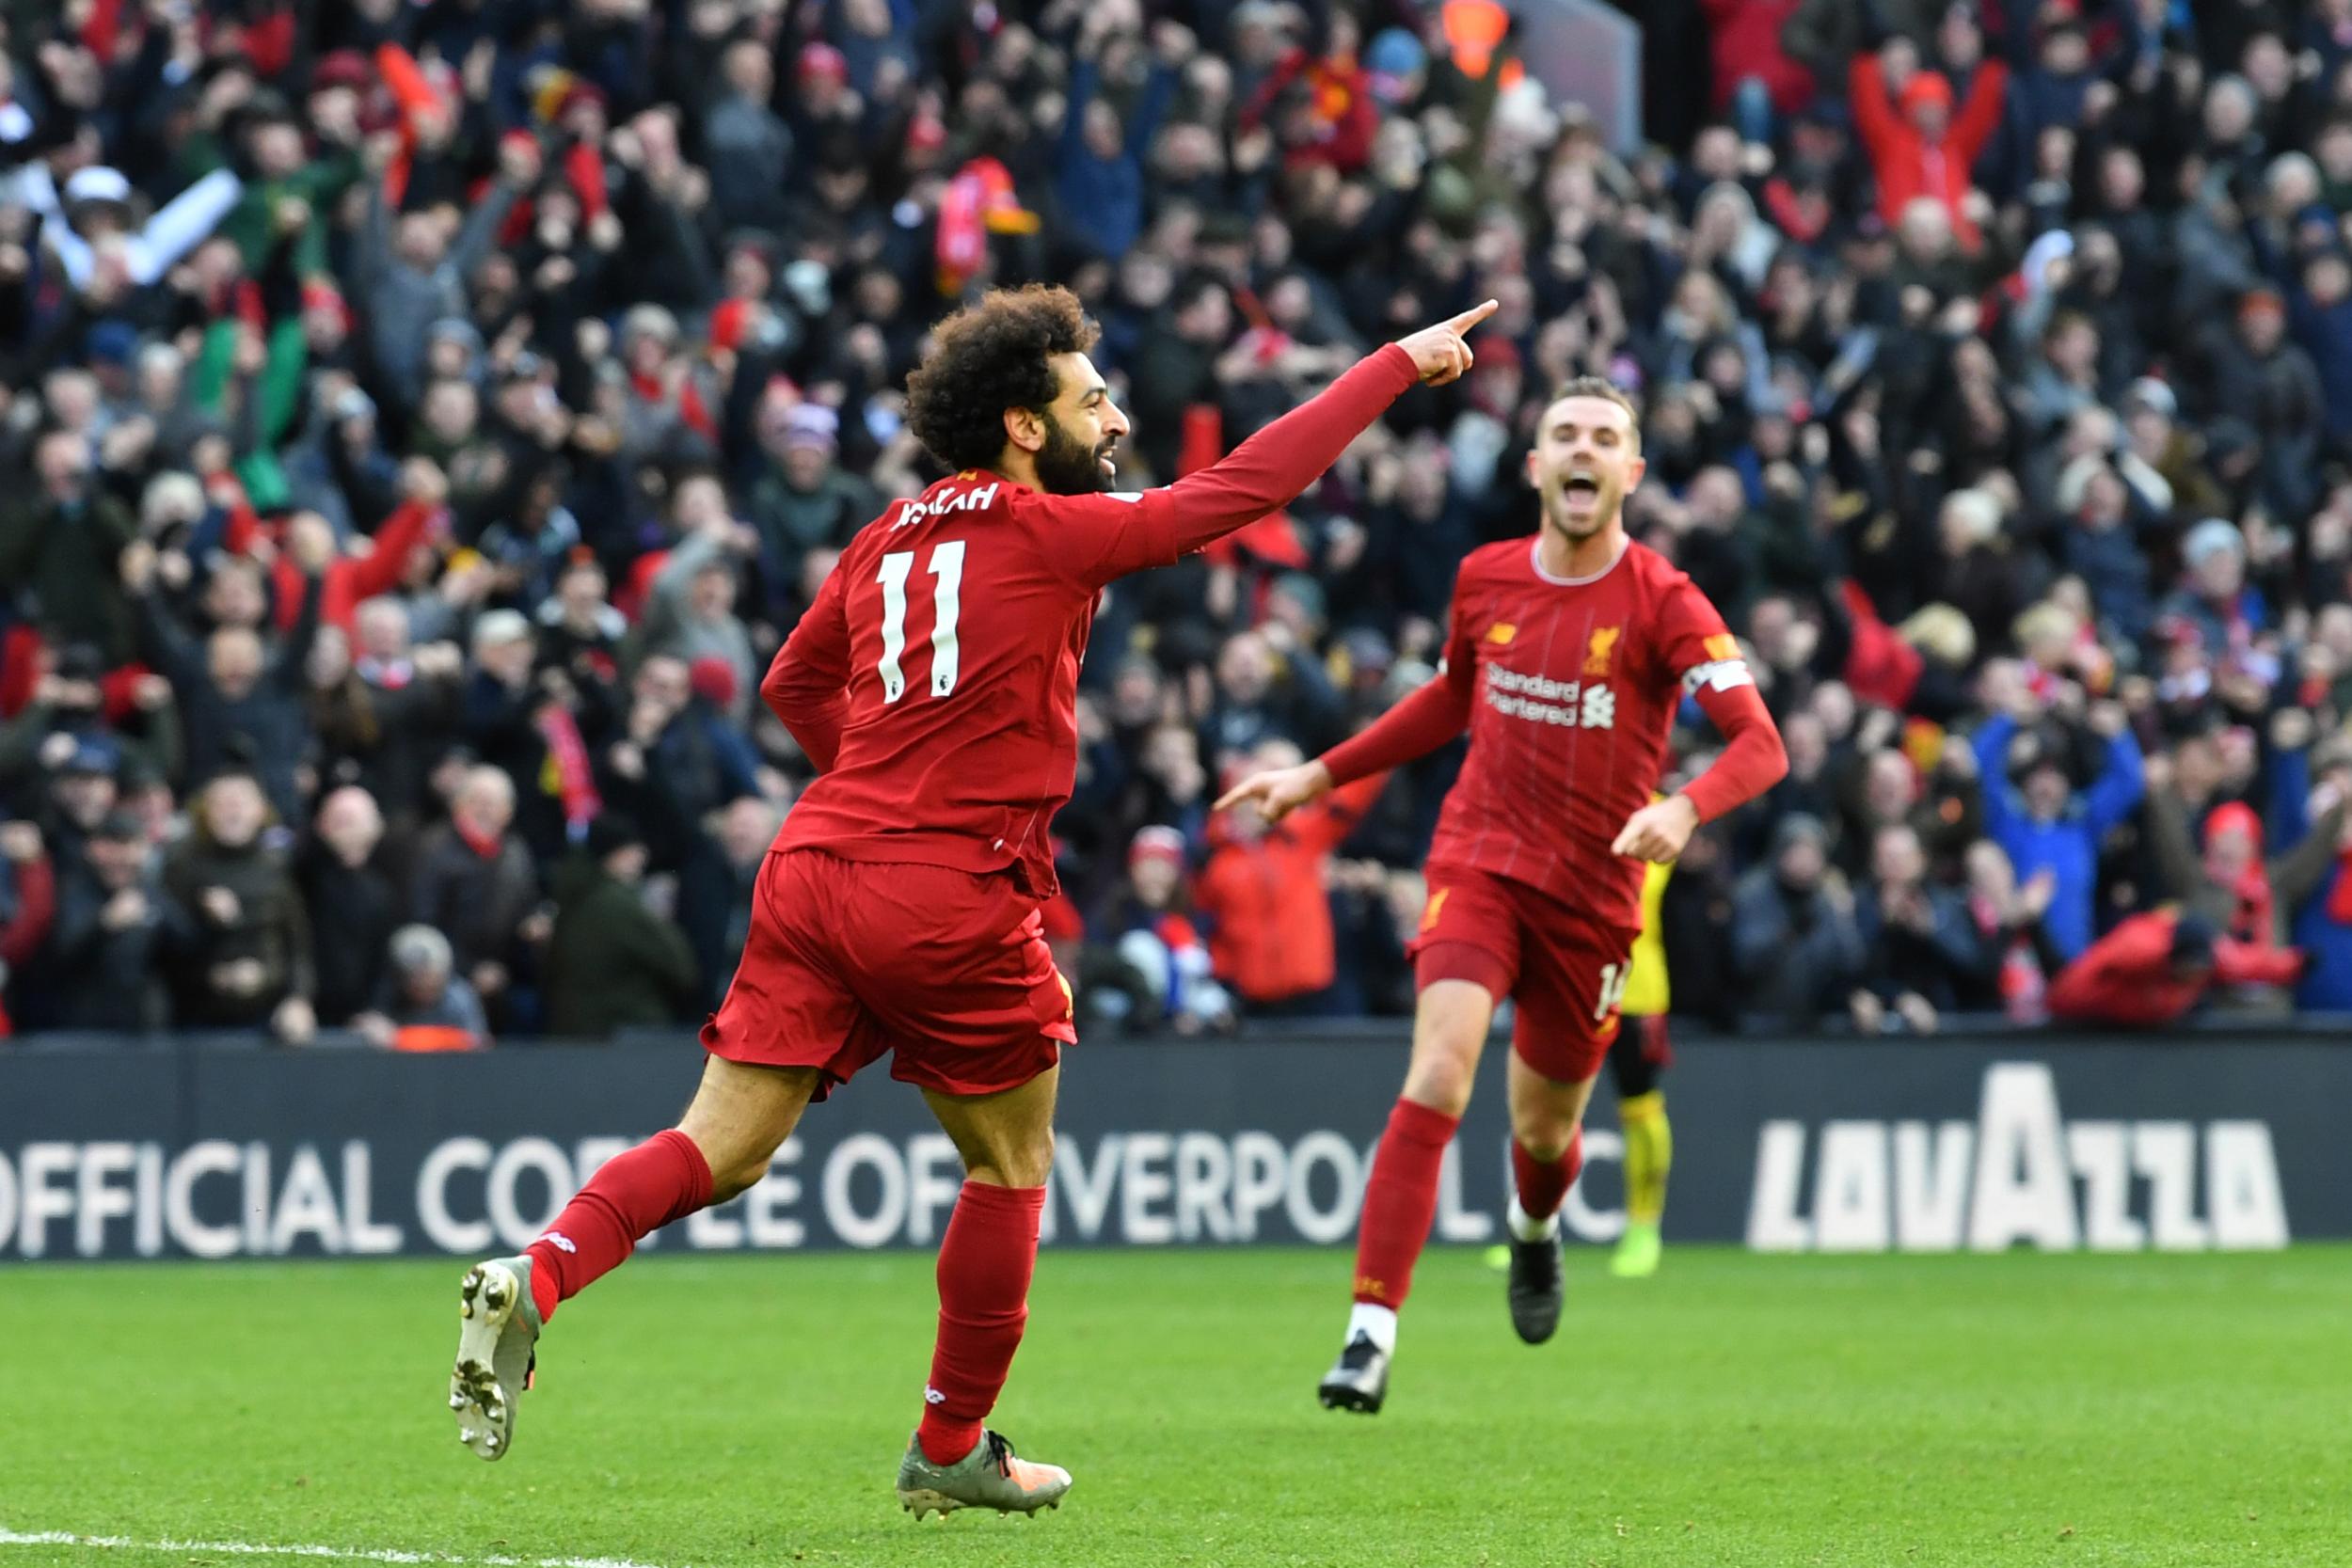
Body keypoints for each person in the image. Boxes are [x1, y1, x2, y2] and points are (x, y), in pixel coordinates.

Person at [444, 285, 1498, 1510]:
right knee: (1011, 1158)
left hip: (814, 863)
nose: (1114, 422)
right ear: (1024, 426)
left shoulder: (887, 533)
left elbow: (795, 681)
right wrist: (1390, 364)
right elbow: (1244, 493)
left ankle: (542, 1268)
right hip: (942, 884)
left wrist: (882, 784)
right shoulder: (1048, 530)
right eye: (1091, 401)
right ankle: (949, 1446)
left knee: (719, 1146)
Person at [1216, 377, 1788, 1414]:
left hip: (1593, 899)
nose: (1583, 449)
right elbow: (1449, 696)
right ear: (1533, 466)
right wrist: (1318, 774)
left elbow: (1762, 743)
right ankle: (1367, 1332)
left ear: (1630, 473)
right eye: (1564, 432)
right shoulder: (1483, 578)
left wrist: (1687, 808)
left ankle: (1534, 1230)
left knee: (1540, 1129)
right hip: (1479, 859)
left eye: (1605, 436)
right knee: (1438, 1070)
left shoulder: (1665, 601)